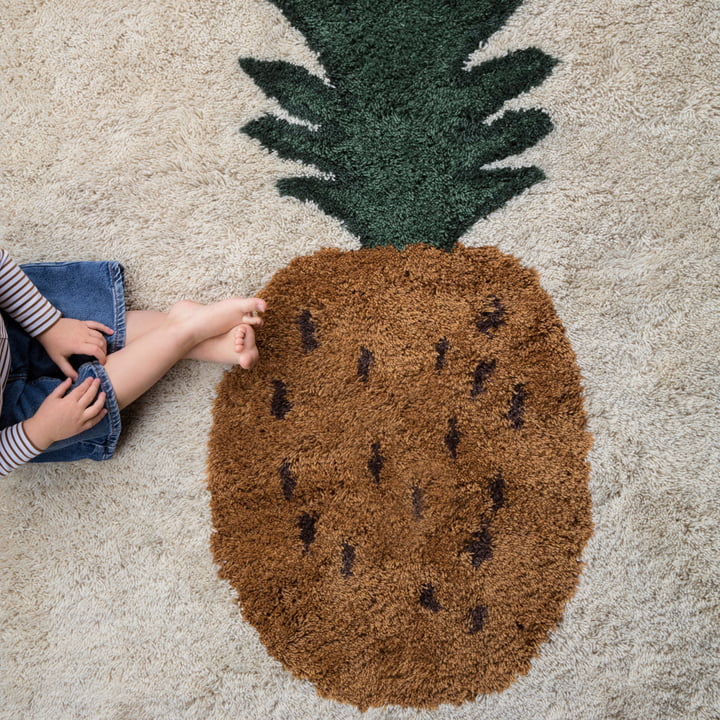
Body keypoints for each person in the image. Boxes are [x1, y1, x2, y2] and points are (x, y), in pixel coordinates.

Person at [0, 248, 265, 476]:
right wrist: (41, 430)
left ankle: (191, 334)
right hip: (15, 421)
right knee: (86, 405)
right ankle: (186, 333)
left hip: (14, 320)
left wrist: (49, 326)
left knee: (87, 329)